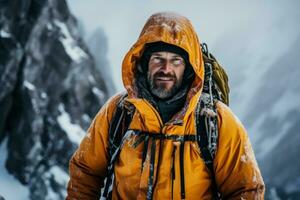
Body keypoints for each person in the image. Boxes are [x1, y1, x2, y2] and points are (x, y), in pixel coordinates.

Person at [66, 12, 265, 199]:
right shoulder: (118, 112)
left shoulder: (216, 120)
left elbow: (246, 189)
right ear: (144, 63)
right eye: (158, 59)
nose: (166, 68)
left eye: (176, 61)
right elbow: (85, 172)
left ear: (189, 68)